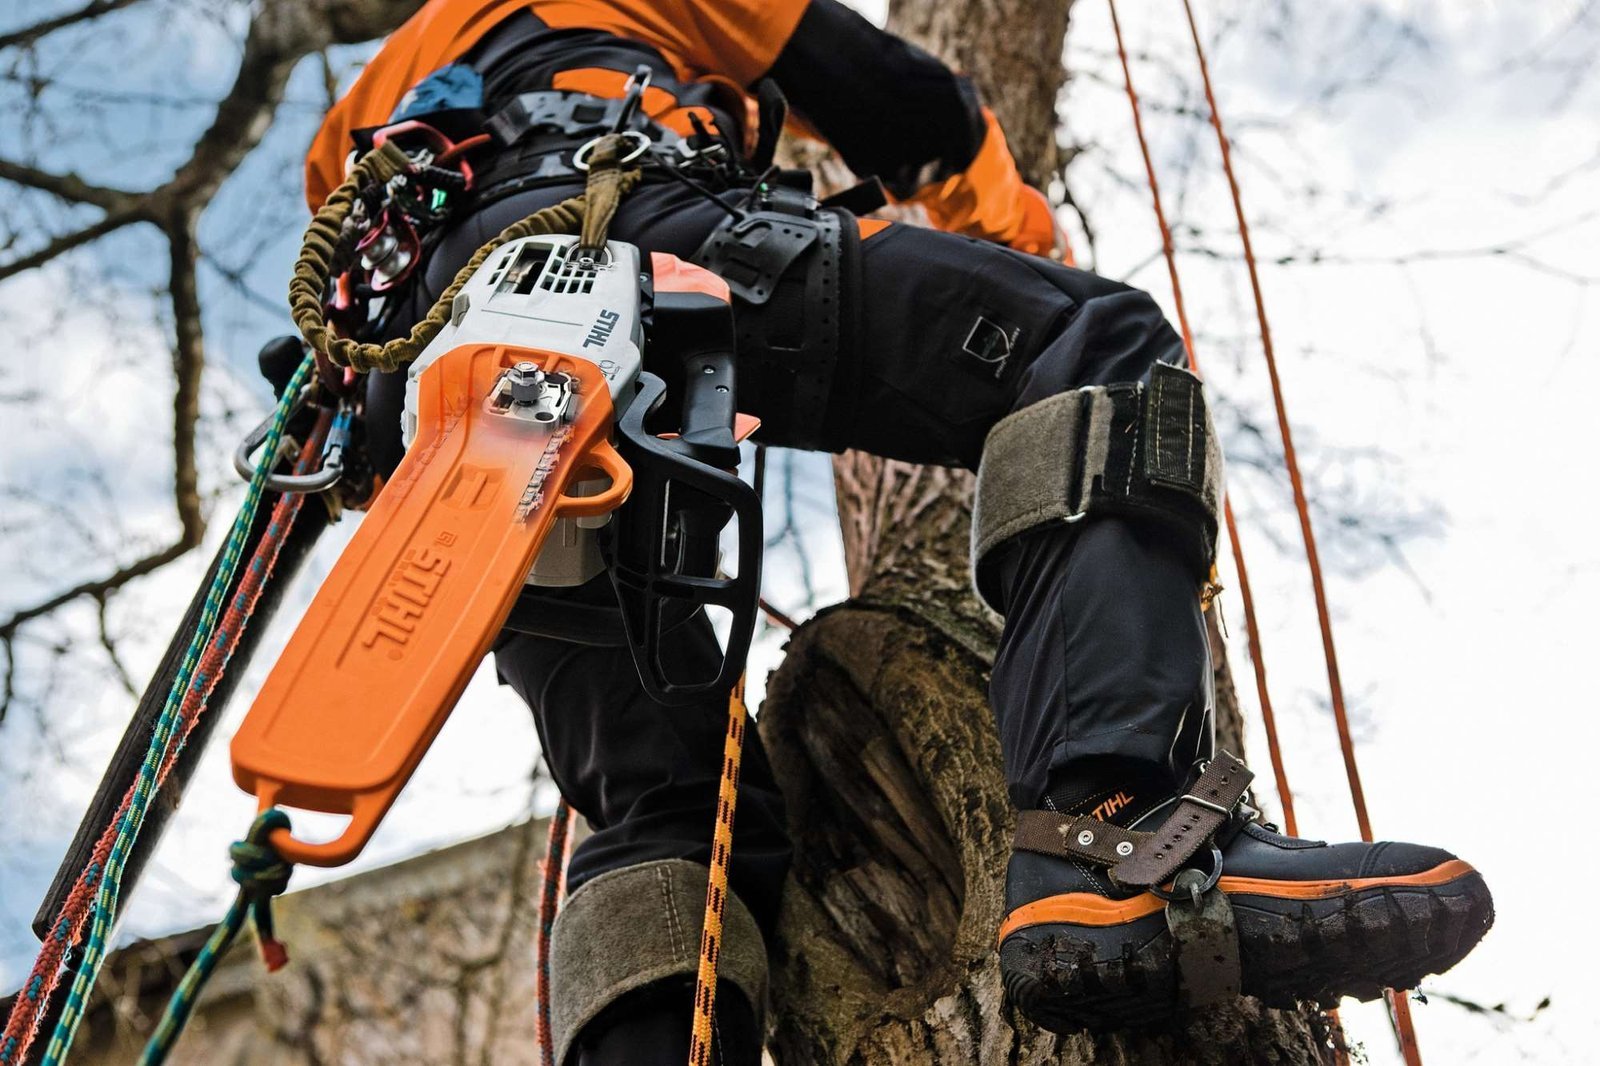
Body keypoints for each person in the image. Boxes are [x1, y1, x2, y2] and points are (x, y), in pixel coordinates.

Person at [303, 1, 1494, 1060]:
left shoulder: (360, 114)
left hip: (442, 403)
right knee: (1089, 348)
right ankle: (1118, 834)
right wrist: (1011, 224)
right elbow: (892, 98)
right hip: (626, 235)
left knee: (660, 806)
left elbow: (345, 301)